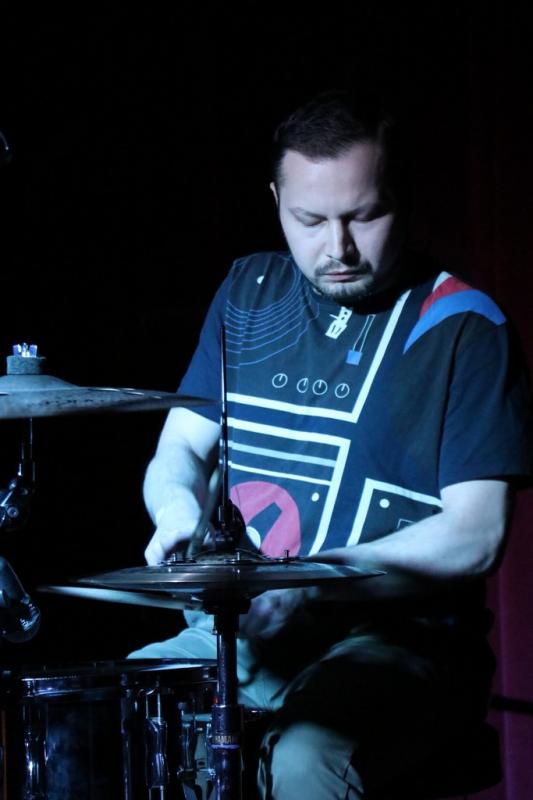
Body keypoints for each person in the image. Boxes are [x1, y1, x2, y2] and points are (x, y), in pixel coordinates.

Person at [129, 91, 533, 798]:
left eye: (363, 216)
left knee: (305, 756)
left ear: (401, 199)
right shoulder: (248, 292)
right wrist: (176, 513)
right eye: (310, 220)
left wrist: (312, 581)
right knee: (132, 711)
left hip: (396, 640)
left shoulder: (465, 326)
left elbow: (476, 536)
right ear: (276, 201)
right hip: (242, 635)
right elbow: (181, 453)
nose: (337, 248)